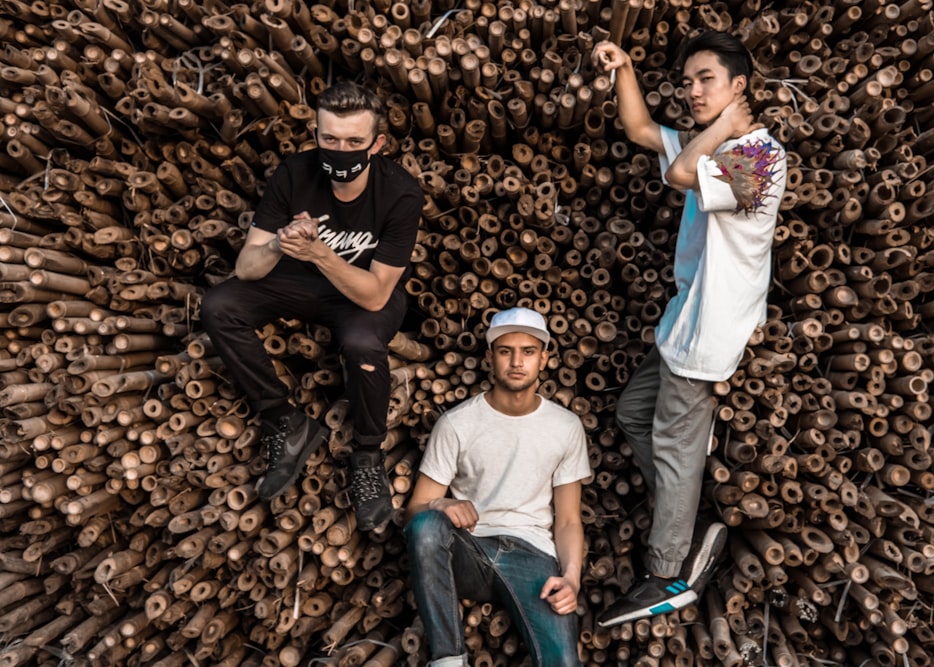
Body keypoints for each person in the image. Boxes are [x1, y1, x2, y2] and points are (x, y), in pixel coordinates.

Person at [591, 31, 787, 626]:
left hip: (711, 333)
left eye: (706, 80)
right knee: (631, 414)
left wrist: (723, 126)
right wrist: (624, 68)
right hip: (683, 324)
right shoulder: (715, 143)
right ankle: (689, 519)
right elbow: (642, 131)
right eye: (688, 80)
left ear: (738, 88)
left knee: (676, 448)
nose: (692, 90)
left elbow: (679, 173)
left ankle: (668, 573)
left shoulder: (759, 157)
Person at [200, 80, 423, 531]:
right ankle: (284, 420)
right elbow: (246, 267)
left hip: (362, 293)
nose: (341, 151)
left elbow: (377, 292)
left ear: (377, 144)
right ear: (317, 135)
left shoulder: (400, 193)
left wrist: (322, 253)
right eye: (330, 140)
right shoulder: (295, 173)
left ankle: (366, 453)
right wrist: (282, 244)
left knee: (362, 342)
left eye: (354, 142)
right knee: (220, 304)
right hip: (299, 284)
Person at [404, 307, 591, 667]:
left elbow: (568, 520)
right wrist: (440, 506)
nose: (517, 361)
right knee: (426, 525)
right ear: (490, 357)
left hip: (533, 555)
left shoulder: (565, 427)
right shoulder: (457, 424)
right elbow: (415, 511)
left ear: (545, 358)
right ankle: (448, 660)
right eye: (506, 351)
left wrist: (571, 579)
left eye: (528, 351)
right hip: (470, 549)